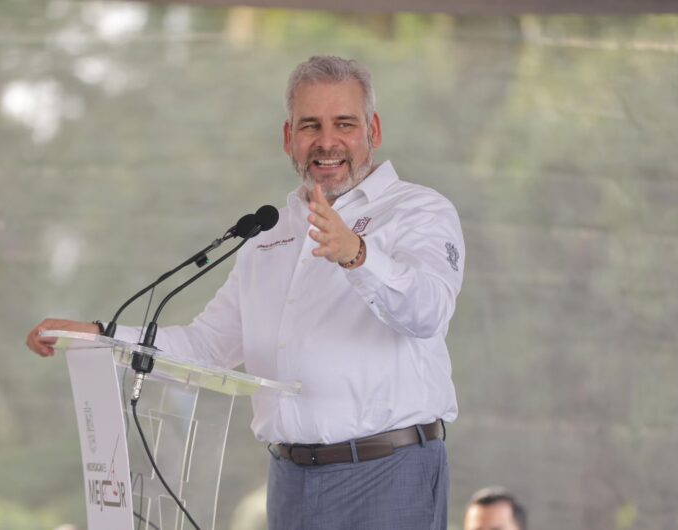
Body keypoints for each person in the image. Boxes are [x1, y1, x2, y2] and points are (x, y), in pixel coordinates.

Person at [26, 56, 465, 530]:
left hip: (388, 474)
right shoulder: (268, 234)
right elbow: (206, 348)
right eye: (310, 125)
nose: (326, 141)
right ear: (288, 137)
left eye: (345, 124)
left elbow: (428, 312)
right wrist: (98, 336)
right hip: (290, 482)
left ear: (373, 130)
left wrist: (356, 254)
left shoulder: (418, 210)